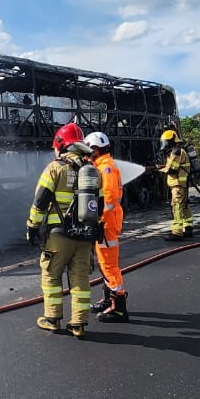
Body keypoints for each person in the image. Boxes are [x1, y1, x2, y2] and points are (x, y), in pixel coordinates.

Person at [26, 122, 102, 340]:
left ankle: (52, 319)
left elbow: (40, 201)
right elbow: (101, 204)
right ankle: (78, 323)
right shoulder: (93, 172)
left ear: (61, 144)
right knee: (80, 280)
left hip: (59, 236)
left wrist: (32, 226)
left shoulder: (55, 167)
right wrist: (96, 230)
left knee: (51, 276)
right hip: (85, 235)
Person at [84, 131, 128, 322]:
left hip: (107, 223)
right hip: (105, 221)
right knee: (104, 264)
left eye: (89, 149)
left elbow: (109, 199)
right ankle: (108, 300)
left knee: (109, 266)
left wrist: (100, 221)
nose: (86, 153)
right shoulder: (101, 165)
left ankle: (118, 308)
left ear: (96, 148)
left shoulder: (106, 168)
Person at [158, 130, 193, 239]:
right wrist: (161, 166)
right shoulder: (177, 151)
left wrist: (158, 169)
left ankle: (177, 232)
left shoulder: (176, 151)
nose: (165, 144)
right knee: (184, 205)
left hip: (178, 184)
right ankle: (188, 227)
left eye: (166, 142)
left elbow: (172, 169)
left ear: (171, 141)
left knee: (177, 207)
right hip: (181, 184)